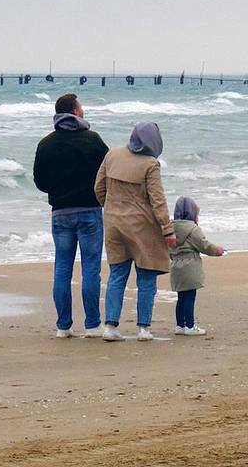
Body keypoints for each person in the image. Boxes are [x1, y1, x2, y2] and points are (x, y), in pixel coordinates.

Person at [32, 92, 109, 338]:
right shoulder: (92, 139)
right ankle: (92, 324)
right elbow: (107, 170)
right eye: (81, 107)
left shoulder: (46, 144)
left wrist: (59, 188)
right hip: (89, 209)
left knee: (62, 268)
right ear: (75, 112)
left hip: (61, 211)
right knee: (90, 268)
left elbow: (40, 182)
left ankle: (63, 326)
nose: (83, 111)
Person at [94, 121, 175, 341]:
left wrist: (111, 208)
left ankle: (110, 327)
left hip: (113, 223)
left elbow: (98, 188)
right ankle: (143, 329)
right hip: (142, 227)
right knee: (146, 276)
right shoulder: (151, 164)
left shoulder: (112, 155)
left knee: (117, 275)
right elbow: (158, 200)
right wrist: (167, 230)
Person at [169, 196, 226, 336]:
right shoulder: (193, 229)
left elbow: (167, 247)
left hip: (176, 265)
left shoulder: (169, 228)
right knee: (190, 296)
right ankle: (190, 325)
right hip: (190, 266)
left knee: (181, 297)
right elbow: (204, 245)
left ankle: (180, 325)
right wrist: (217, 250)